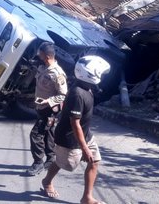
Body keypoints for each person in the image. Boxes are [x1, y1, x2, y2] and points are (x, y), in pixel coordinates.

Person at [41, 55, 111, 204]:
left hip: (85, 134)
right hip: (69, 137)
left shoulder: (87, 88)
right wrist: (84, 148)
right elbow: (75, 123)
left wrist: (86, 144)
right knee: (64, 164)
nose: (102, 76)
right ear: (91, 74)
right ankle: (47, 181)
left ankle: (87, 198)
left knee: (94, 161)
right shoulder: (77, 94)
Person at [26, 42, 68, 176]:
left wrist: (48, 101)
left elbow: (63, 95)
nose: (38, 55)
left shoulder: (57, 74)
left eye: (41, 53)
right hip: (40, 107)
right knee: (49, 132)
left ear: (47, 56)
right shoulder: (42, 67)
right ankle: (50, 159)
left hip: (49, 110)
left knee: (36, 135)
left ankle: (38, 163)